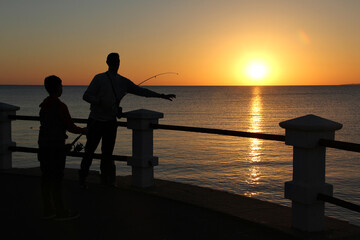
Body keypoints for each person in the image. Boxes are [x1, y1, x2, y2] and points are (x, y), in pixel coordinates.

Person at [79, 52, 176, 188]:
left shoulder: (123, 81)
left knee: (106, 153)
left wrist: (161, 95)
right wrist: (100, 102)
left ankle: (104, 179)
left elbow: (141, 91)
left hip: (111, 122)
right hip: (95, 121)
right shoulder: (99, 78)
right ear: (107, 62)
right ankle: (83, 179)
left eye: (118, 60)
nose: (116, 63)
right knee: (90, 151)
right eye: (114, 60)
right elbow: (86, 96)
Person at [38, 75, 87, 220]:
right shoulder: (60, 106)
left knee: (46, 179)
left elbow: (49, 127)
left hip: (44, 146)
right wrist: (84, 130)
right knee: (57, 180)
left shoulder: (44, 105)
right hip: (56, 148)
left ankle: (48, 210)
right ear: (57, 88)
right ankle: (60, 211)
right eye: (61, 85)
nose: (62, 88)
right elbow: (70, 126)